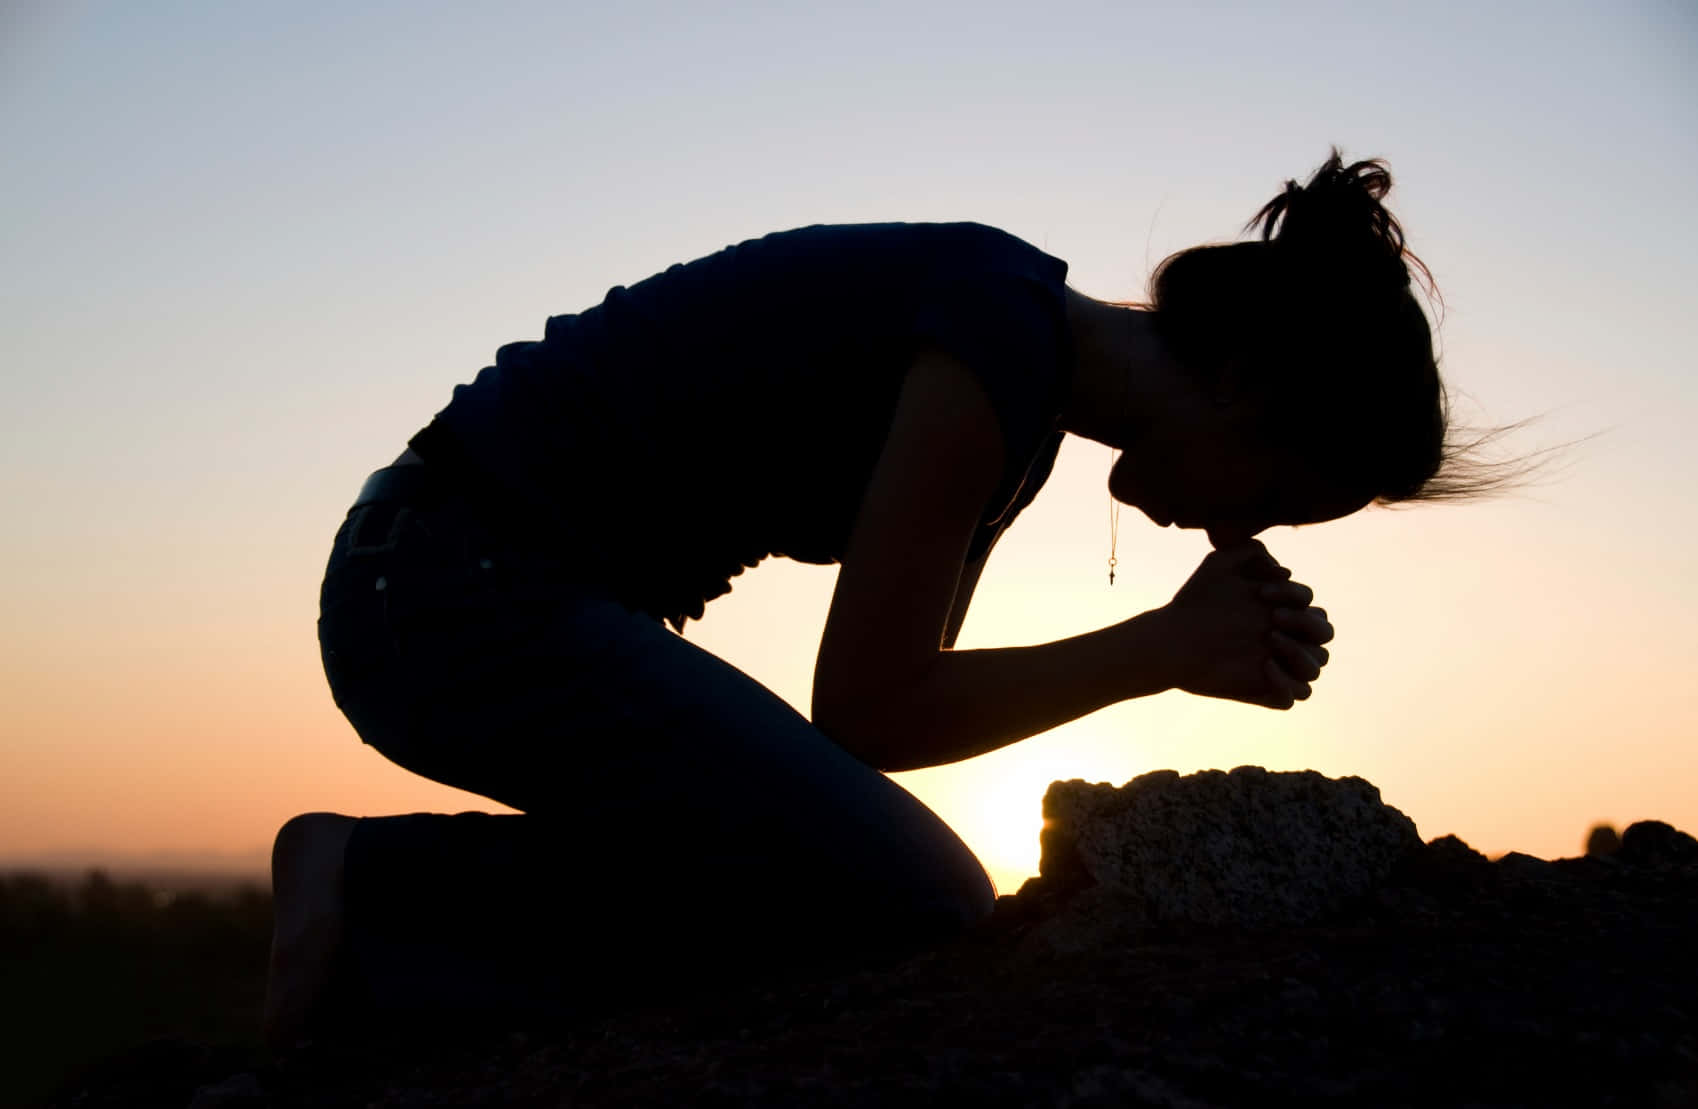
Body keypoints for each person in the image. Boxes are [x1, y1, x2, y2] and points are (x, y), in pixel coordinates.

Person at [266, 150, 1495, 1048]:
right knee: (915, 894)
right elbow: (867, 709)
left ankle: (389, 931)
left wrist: (1169, 646)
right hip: (454, 584)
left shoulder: (1009, 391)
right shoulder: (992, 342)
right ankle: (377, 896)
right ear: (1243, 380)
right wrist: (1162, 644)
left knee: (849, 869)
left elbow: (895, 719)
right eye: (1277, 491)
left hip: (454, 582)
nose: (1243, 528)